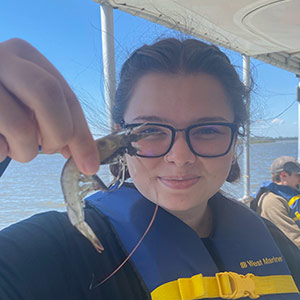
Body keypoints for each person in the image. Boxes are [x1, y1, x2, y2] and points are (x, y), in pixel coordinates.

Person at [0, 38, 300, 300]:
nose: (179, 156)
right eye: (150, 130)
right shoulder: (56, 251)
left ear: (236, 140)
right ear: (120, 136)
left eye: (208, 129)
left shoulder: (274, 241)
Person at [252, 156, 300, 249]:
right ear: (284, 176)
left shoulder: (292, 194)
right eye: (298, 175)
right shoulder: (272, 202)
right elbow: (294, 239)